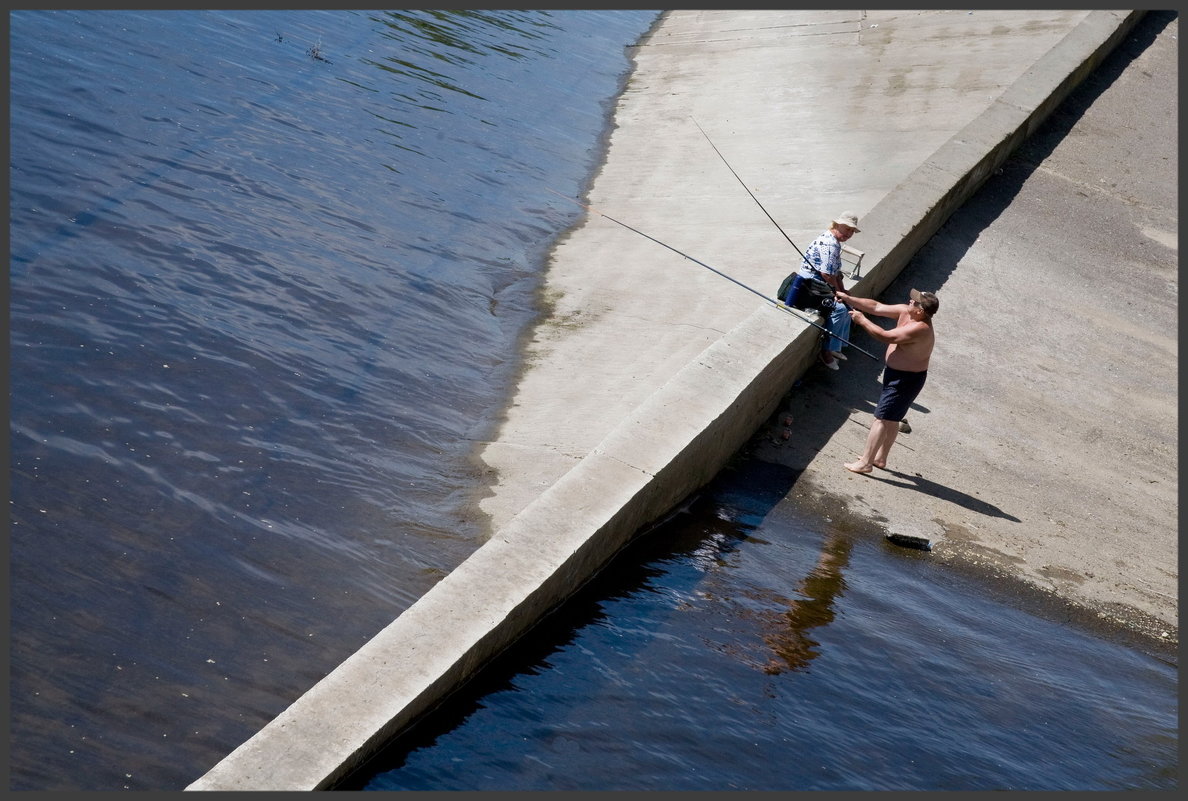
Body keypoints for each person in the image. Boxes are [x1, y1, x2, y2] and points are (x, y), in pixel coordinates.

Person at [835, 287, 939, 474]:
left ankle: (866, 463)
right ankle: (880, 458)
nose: (910, 301)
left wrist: (862, 320)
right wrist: (849, 299)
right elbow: (876, 306)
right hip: (897, 375)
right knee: (892, 419)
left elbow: (885, 336)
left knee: (881, 418)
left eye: (914, 301)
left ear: (920, 311)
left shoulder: (920, 329)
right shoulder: (907, 312)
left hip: (905, 380)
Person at [783, 212, 861, 371]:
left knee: (849, 308)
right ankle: (826, 352)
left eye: (852, 231)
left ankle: (836, 346)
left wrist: (843, 291)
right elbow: (827, 274)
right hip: (810, 286)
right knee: (840, 309)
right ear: (837, 225)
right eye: (846, 229)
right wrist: (839, 294)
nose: (848, 234)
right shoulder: (830, 244)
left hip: (821, 284)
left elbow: (836, 273)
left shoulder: (835, 242)